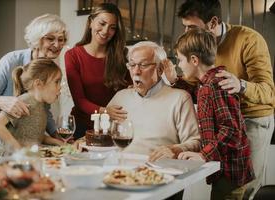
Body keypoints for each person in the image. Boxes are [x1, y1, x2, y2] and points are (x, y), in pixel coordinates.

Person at [163, 1, 274, 198]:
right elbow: (199, 86)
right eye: (184, 26)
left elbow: (268, 92)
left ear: (213, 22)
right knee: (225, 185)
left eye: (192, 27)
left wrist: (240, 85)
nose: (186, 32)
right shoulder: (198, 48)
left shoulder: (249, 40)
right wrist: (174, 81)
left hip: (252, 119)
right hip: (227, 123)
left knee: (242, 186)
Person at [165, 28, 254, 200]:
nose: (179, 65)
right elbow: (197, 93)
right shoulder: (209, 83)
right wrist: (175, 80)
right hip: (228, 171)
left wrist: (203, 155)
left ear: (194, 60)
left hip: (229, 173)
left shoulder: (214, 86)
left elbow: (231, 130)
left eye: (180, 60)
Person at [0, 14, 68, 155]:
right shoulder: (10, 61)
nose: (57, 45)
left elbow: (42, 109)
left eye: (61, 40)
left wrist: (57, 136)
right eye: (50, 38)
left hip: (17, 145)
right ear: (37, 39)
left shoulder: (48, 68)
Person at [108, 41, 200, 157]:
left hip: (158, 171)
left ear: (160, 69)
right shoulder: (121, 97)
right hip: (120, 170)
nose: (136, 71)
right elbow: (102, 133)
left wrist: (175, 149)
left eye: (143, 65)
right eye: (132, 65)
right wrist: (83, 141)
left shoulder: (180, 98)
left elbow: (195, 141)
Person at [65, 3, 130, 139]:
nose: (106, 31)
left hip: (114, 126)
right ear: (90, 22)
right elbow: (79, 100)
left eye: (112, 28)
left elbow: (130, 91)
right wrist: (105, 111)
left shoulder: (123, 55)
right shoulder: (73, 55)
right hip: (82, 126)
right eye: (102, 23)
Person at [0, 59, 64, 154]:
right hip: (9, 161)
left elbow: (35, 135)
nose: (60, 86)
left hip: (26, 160)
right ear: (38, 84)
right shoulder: (23, 101)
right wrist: (19, 151)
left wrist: (58, 142)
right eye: (56, 82)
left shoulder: (42, 105)